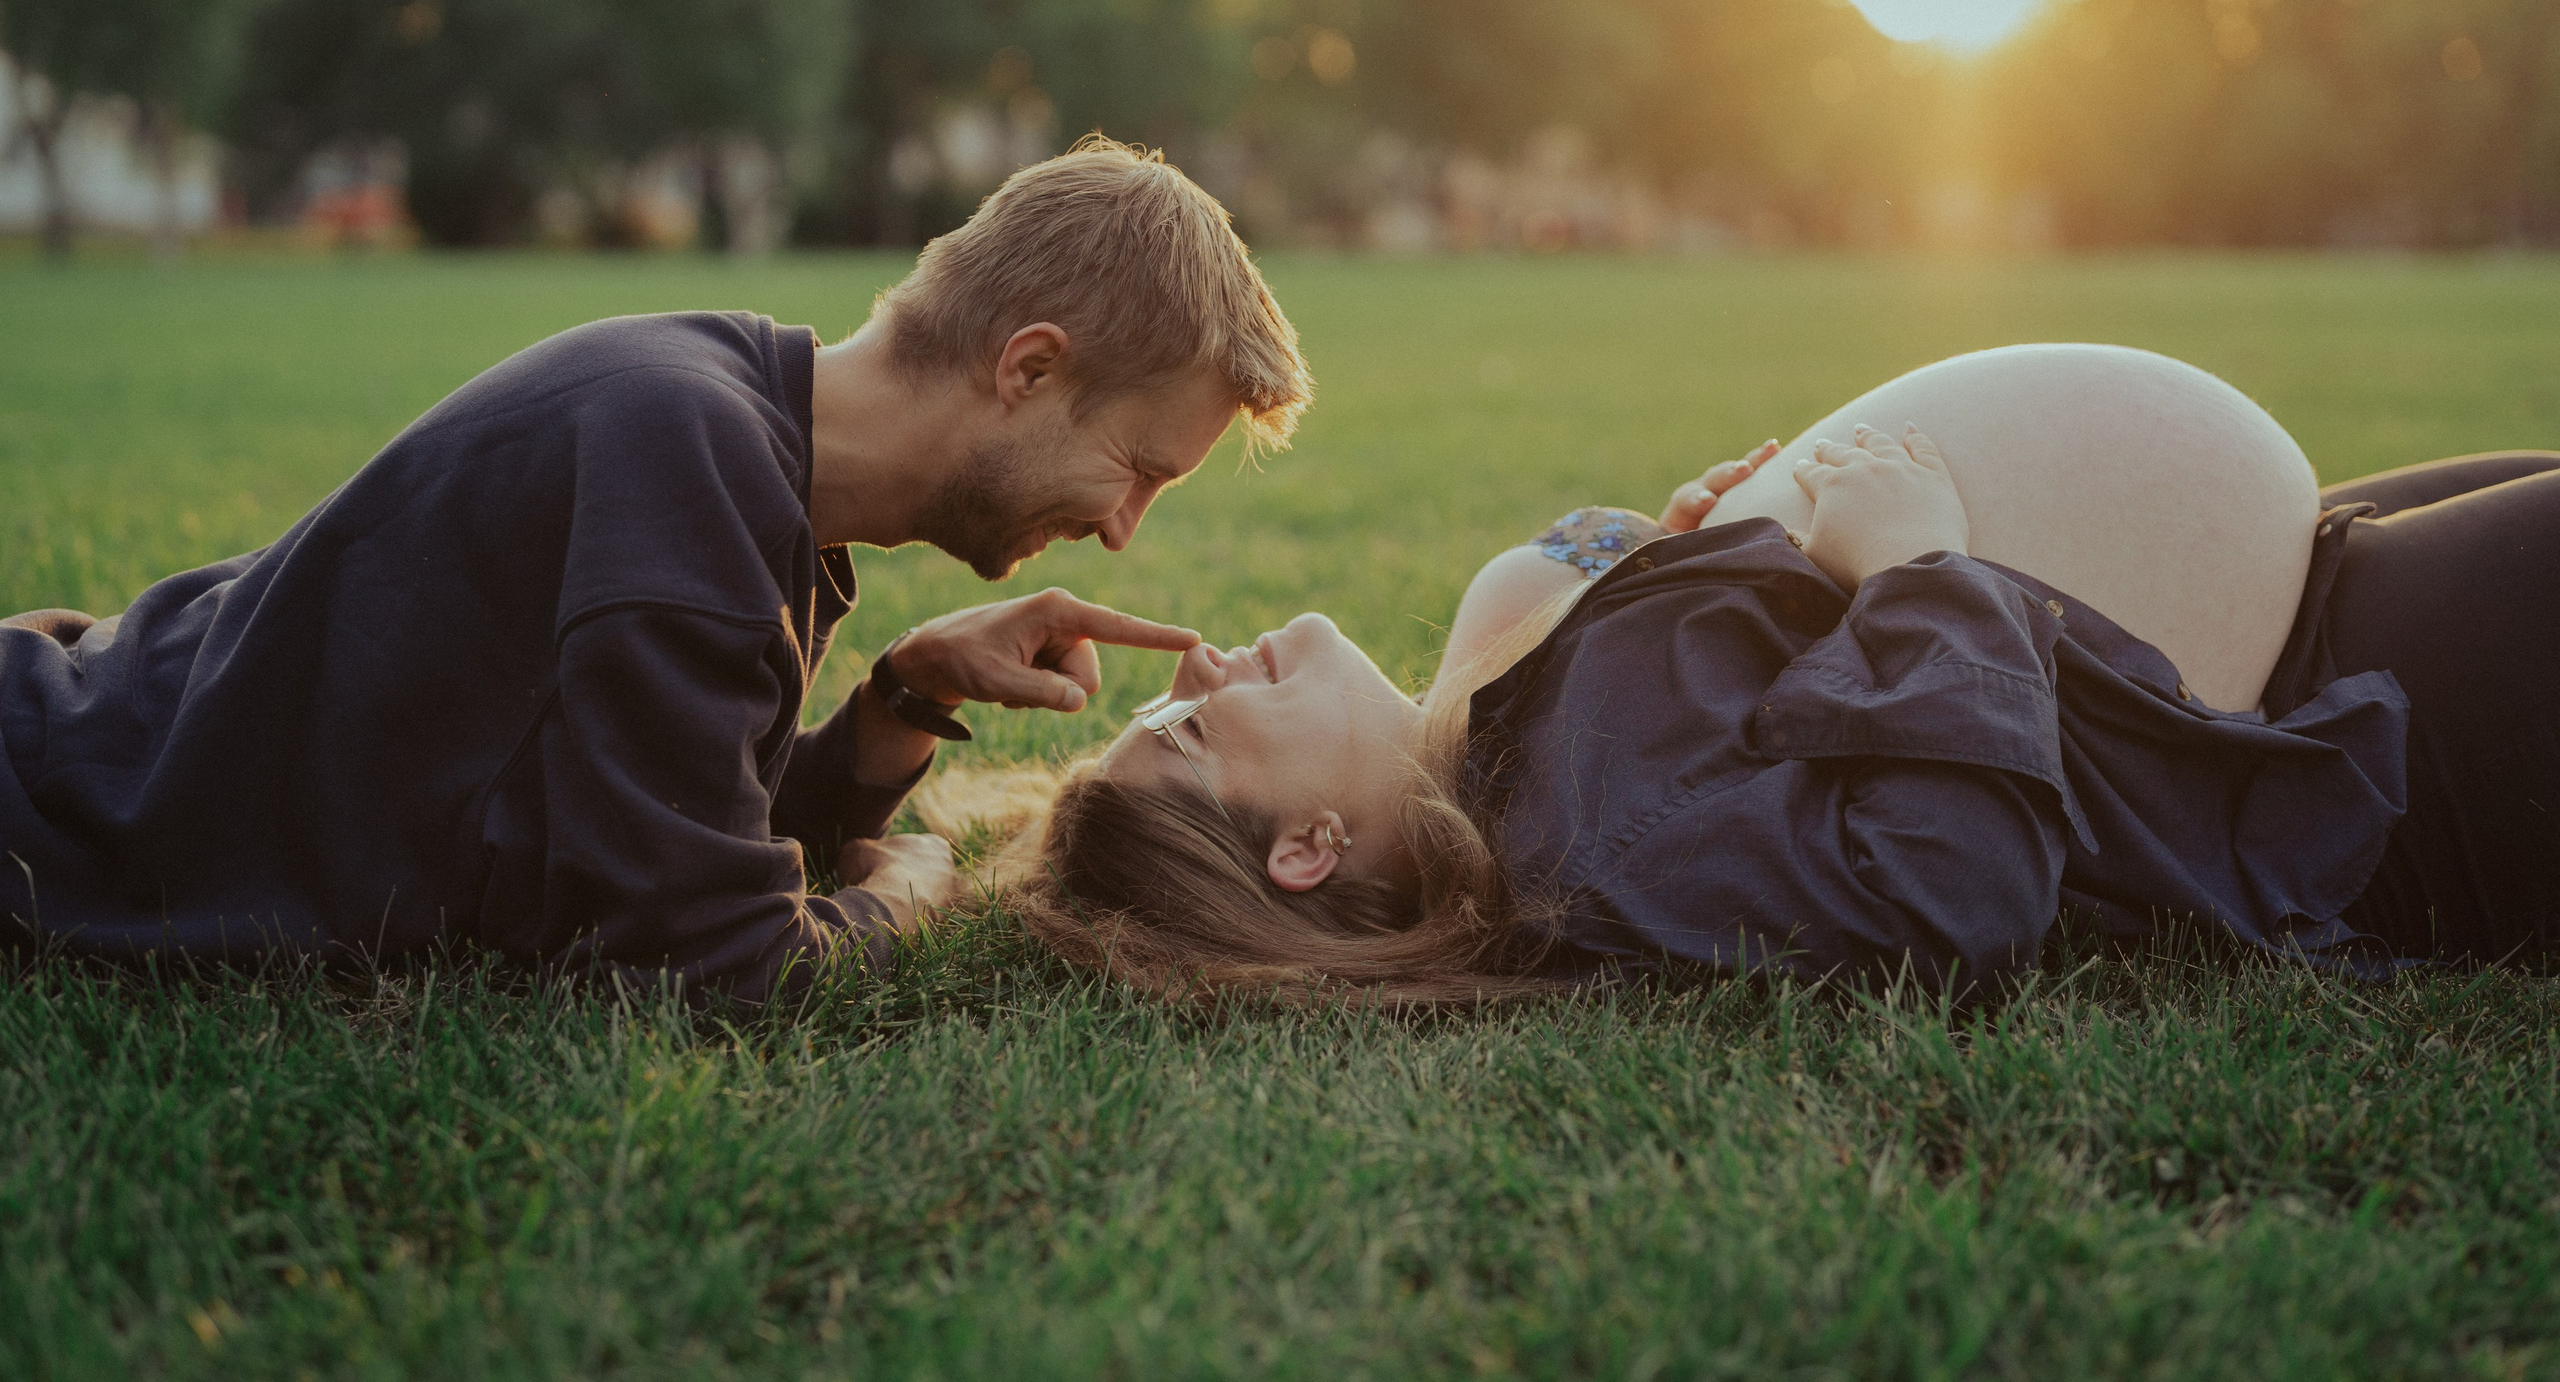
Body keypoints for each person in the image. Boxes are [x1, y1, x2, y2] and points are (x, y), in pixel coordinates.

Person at [0, 137, 1311, 1000]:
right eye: (1140, 468)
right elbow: (725, 970)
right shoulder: (682, 466)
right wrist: (904, 897)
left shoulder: (724, 432)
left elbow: (650, 820)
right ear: (1028, 368)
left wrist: (900, 700)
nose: (1124, 526)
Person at [1007, 343, 2559, 1003]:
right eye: (1191, 730)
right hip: (2336, 730)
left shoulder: (1497, 751)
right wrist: (1912, 567)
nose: (1202, 665)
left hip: (2316, 571)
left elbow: (1720, 701)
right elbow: (1953, 886)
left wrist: (1709, 555)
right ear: (1304, 849)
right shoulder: (1591, 848)